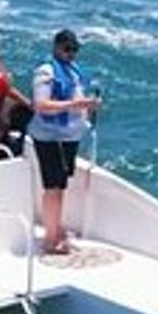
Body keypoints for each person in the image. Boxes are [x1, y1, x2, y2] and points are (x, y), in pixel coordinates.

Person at [26, 29, 98, 254]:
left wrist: (88, 105)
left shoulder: (73, 71)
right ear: (56, 48)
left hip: (69, 136)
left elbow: (77, 97)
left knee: (61, 185)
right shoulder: (46, 72)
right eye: (67, 49)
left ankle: (56, 228)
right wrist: (74, 105)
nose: (71, 54)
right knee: (52, 187)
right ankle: (50, 238)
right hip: (50, 136)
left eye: (74, 50)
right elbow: (41, 105)